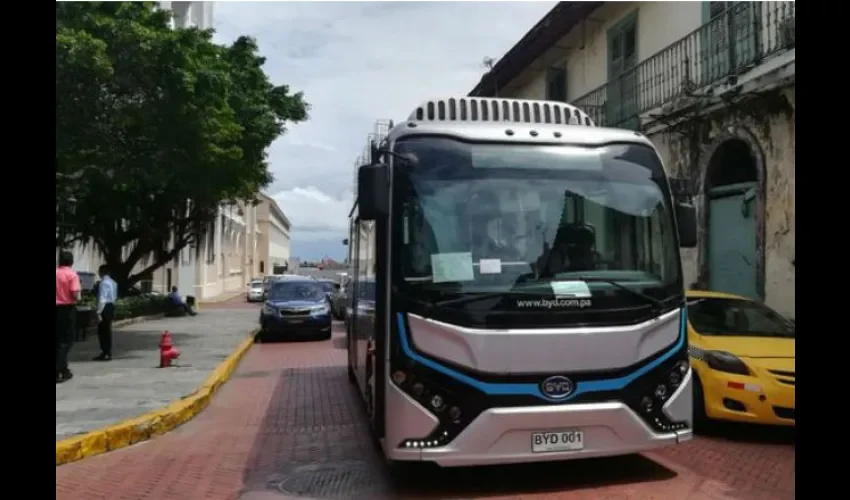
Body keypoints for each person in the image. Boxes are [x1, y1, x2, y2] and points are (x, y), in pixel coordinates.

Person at [56, 250, 82, 383]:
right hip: (66, 309)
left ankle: (64, 369)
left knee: (57, 340)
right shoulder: (72, 275)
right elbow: (75, 294)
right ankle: (58, 368)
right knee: (66, 341)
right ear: (71, 262)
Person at [93, 264, 117, 361]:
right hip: (111, 306)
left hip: (104, 307)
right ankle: (108, 352)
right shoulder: (113, 282)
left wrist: (98, 312)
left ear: (102, 272)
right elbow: (114, 297)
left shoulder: (103, 283)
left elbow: (102, 298)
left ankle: (105, 352)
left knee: (102, 331)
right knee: (107, 330)